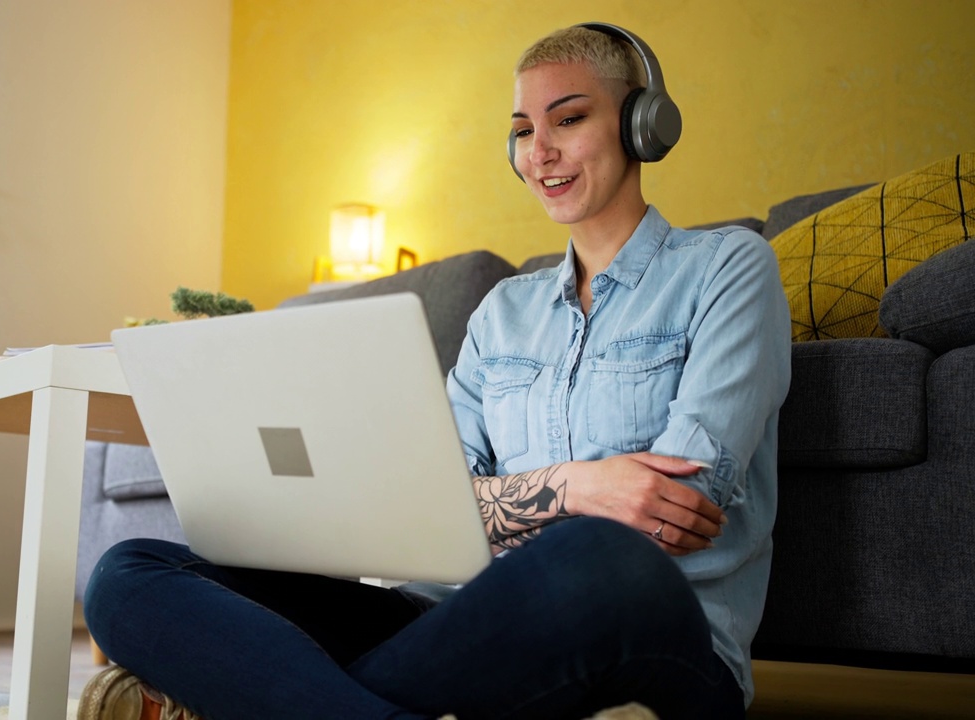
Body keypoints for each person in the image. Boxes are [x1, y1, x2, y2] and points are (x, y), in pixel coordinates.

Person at [83, 23, 790, 720]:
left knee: (598, 553)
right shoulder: (501, 314)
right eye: (520, 131)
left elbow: (676, 513)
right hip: (452, 624)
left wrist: (520, 509)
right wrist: (576, 486)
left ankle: (270, 694)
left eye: (568, 119)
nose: (539, 152)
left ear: (642, 125)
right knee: (127, 573)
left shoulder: (729, 269)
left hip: (650, 623)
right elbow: (434, 509)